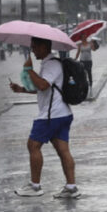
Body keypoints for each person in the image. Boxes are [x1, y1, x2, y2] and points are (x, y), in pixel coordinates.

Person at [9, 37, 79, 199]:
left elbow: (43, 85)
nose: (32, 50)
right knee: (63, 151)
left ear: (44, 46)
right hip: (61, 113)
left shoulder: (52, 64)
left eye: (35, 47)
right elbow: (46, 89)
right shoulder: (51, 64)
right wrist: (22, 90)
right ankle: (71, 187)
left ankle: (35, 186)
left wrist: (29, 70)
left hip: (51, 115)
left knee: (33, 146)